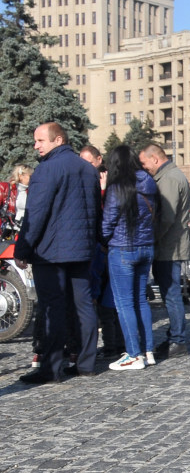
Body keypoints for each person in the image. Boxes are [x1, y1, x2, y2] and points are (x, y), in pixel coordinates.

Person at [15, 122, 101, 384]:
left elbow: (36, 214)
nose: (36, 146)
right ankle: (86, 363)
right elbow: (96, 209)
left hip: (51, 252)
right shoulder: (87, 169)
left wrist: (23, 248)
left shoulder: (46, 170)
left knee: (53, 308)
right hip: (82, 249)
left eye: (40, 141)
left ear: (58, 140)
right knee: (84, 306)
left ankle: (51, 369)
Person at [101, 146, 159, 370]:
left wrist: (103, 241)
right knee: (140, 300)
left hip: (123, 248)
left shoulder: (118, 187)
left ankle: (134, 354)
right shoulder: (149, 182)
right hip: (146, 246)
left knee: (124, 303)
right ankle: (148, 350)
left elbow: (108, 222)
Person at [138, 143, 190, 359]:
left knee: (171, 295)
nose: (144, 168)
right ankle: (175, 337)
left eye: (144, 163)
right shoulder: (169, 176)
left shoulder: (168, 179)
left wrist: (151, 239)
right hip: (170, 245)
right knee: (171, 294)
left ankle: (178, 341)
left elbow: (167, 217)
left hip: (169, 247)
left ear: (155, 159)